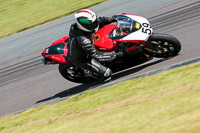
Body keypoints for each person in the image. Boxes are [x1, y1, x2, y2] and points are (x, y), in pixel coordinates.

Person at [67, 9, 123, 82]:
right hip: (83, 59)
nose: (95, 25)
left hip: (85, 46)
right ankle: (102, 79)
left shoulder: (83, 27)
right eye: (92, 24)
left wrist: (115, 18)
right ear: (83, 25)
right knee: (107, 73)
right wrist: (117, 54)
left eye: (94, 22)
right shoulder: (83, 40)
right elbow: (96, 56)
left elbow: (100, 20)